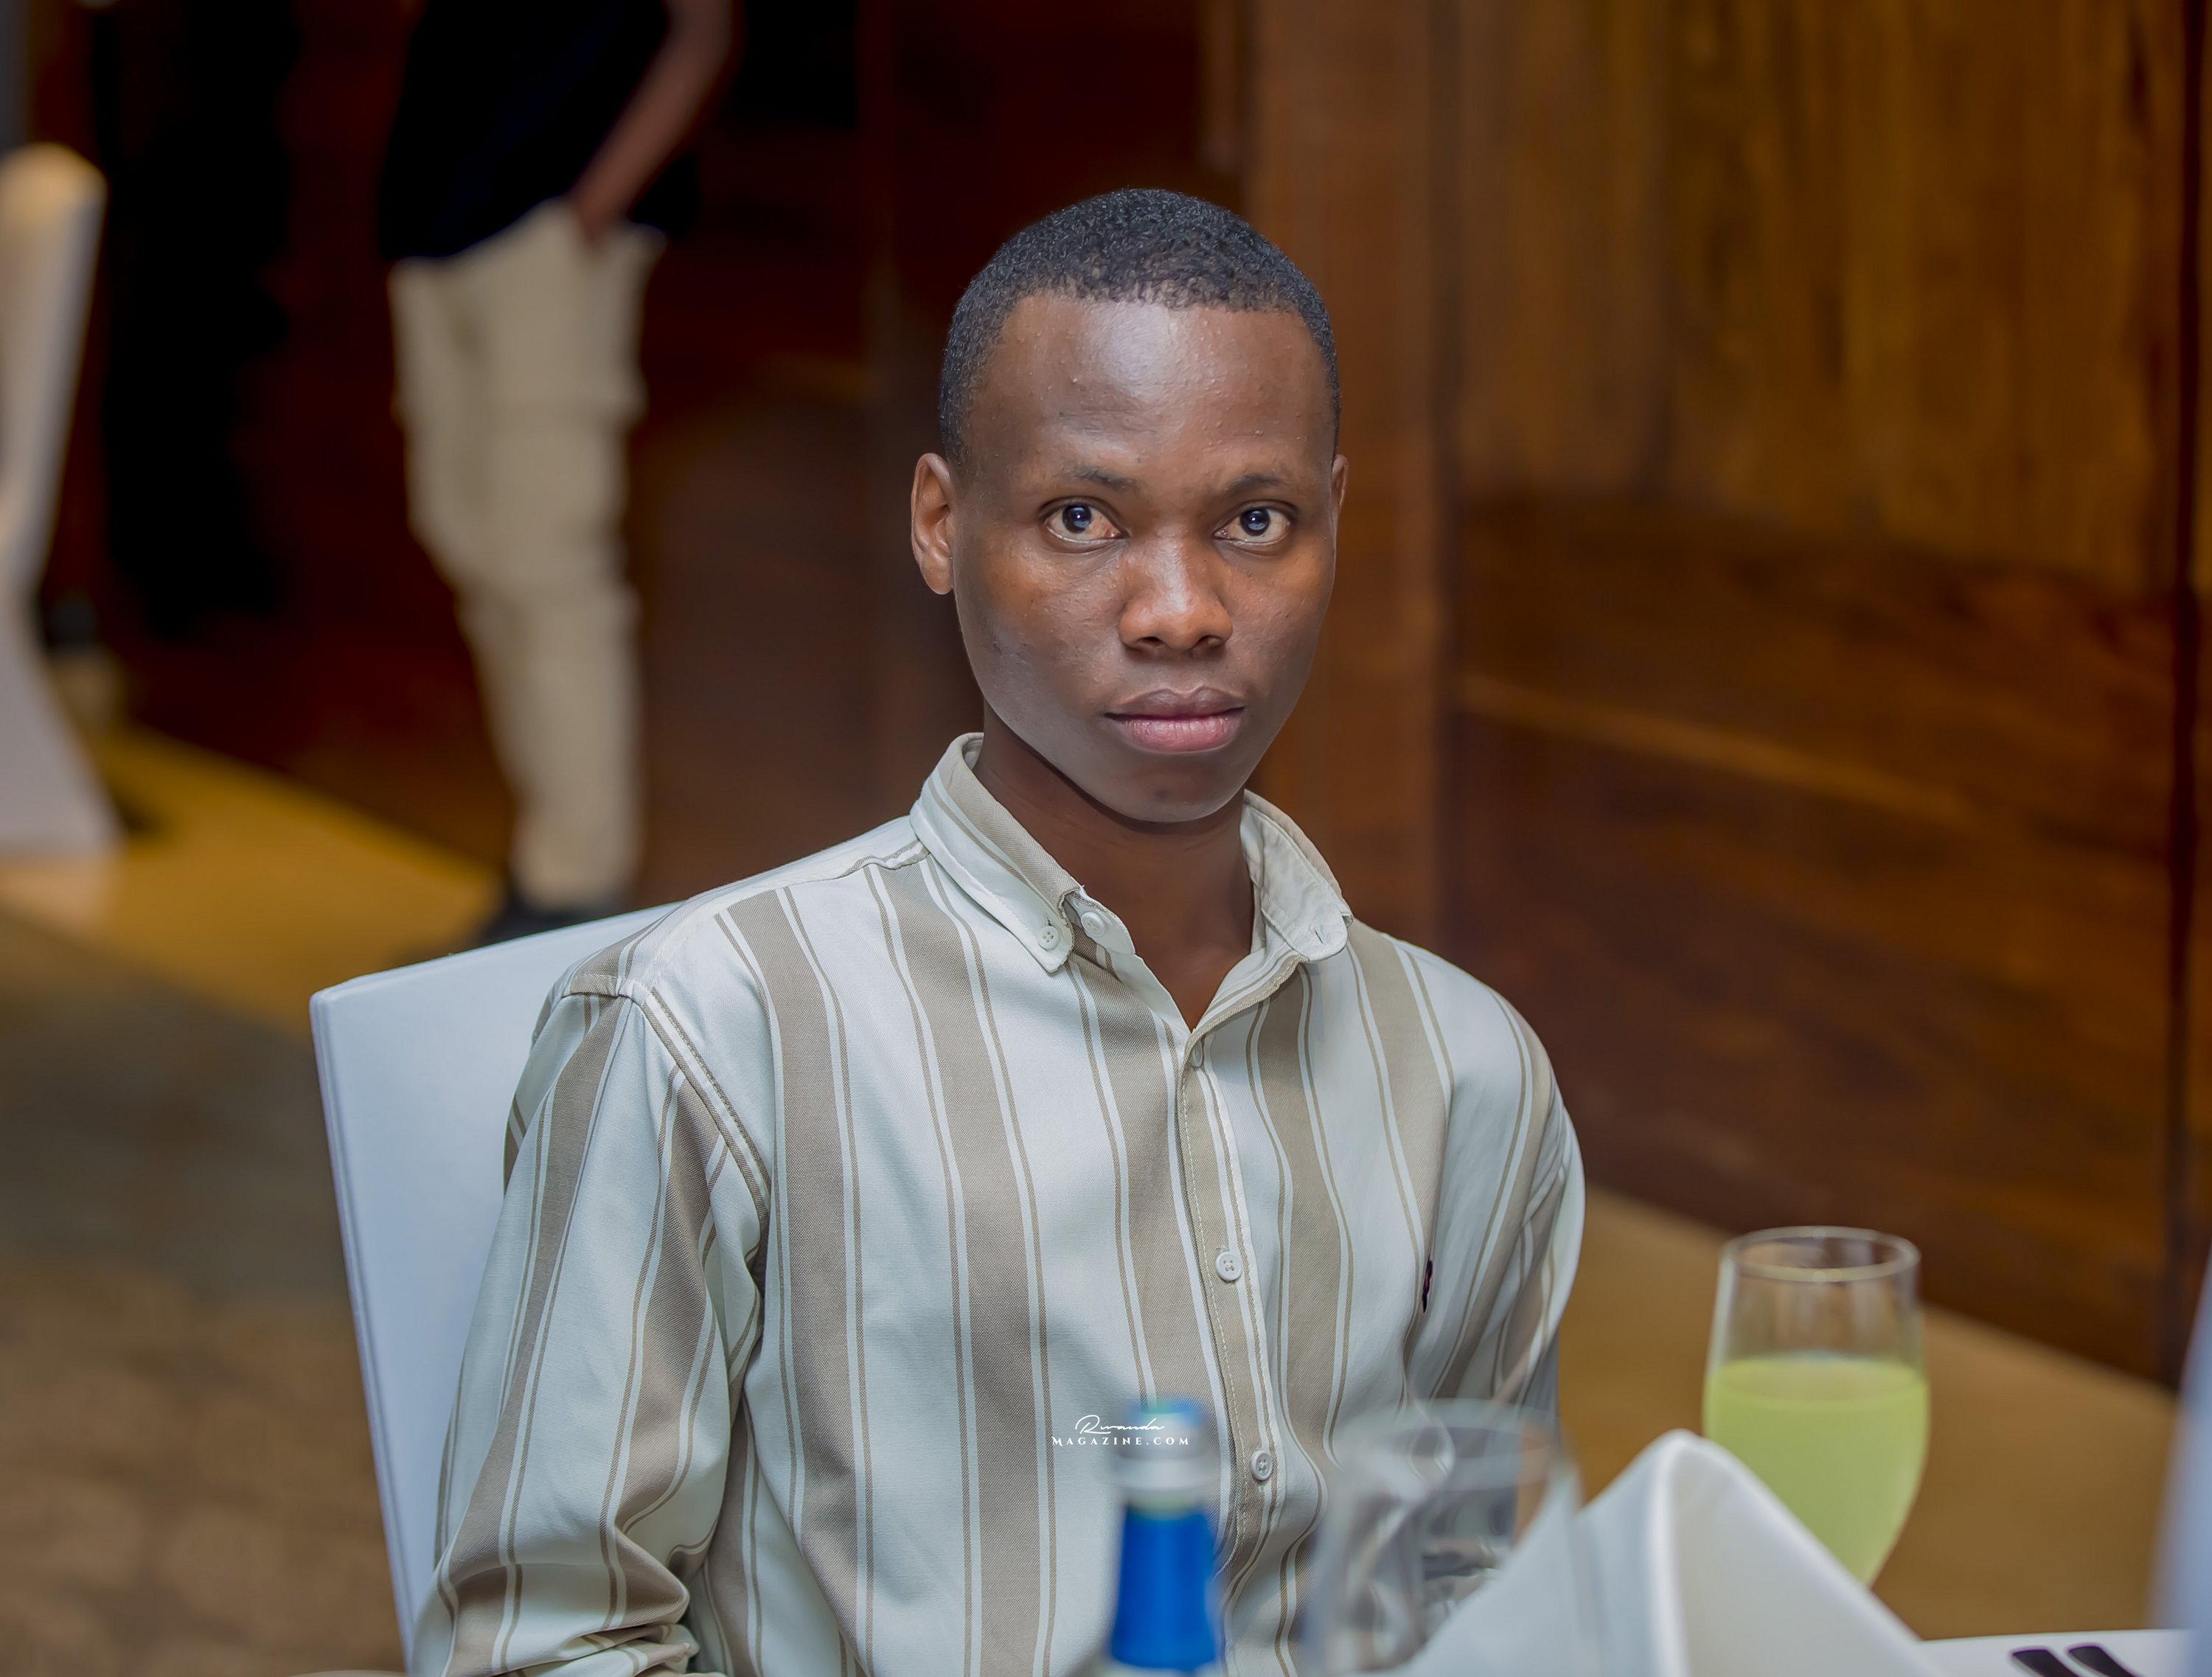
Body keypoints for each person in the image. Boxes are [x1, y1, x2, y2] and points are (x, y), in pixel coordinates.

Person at [415, 189, 1584, 1677]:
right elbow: (545, 1643)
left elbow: (1478, 1587)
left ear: (1333, 526)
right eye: (1082, 519)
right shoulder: (713, 1033)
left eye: (1255, 521)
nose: (1181, 610)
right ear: (940, 524)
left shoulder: (1471, 1074)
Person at [376, 0, 737, 942]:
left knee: (547, 562)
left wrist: (586, 214)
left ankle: (577, 887)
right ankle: (547, 871)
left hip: (546, 229)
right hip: (432, 221)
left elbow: (703, 25)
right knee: (474, 547)